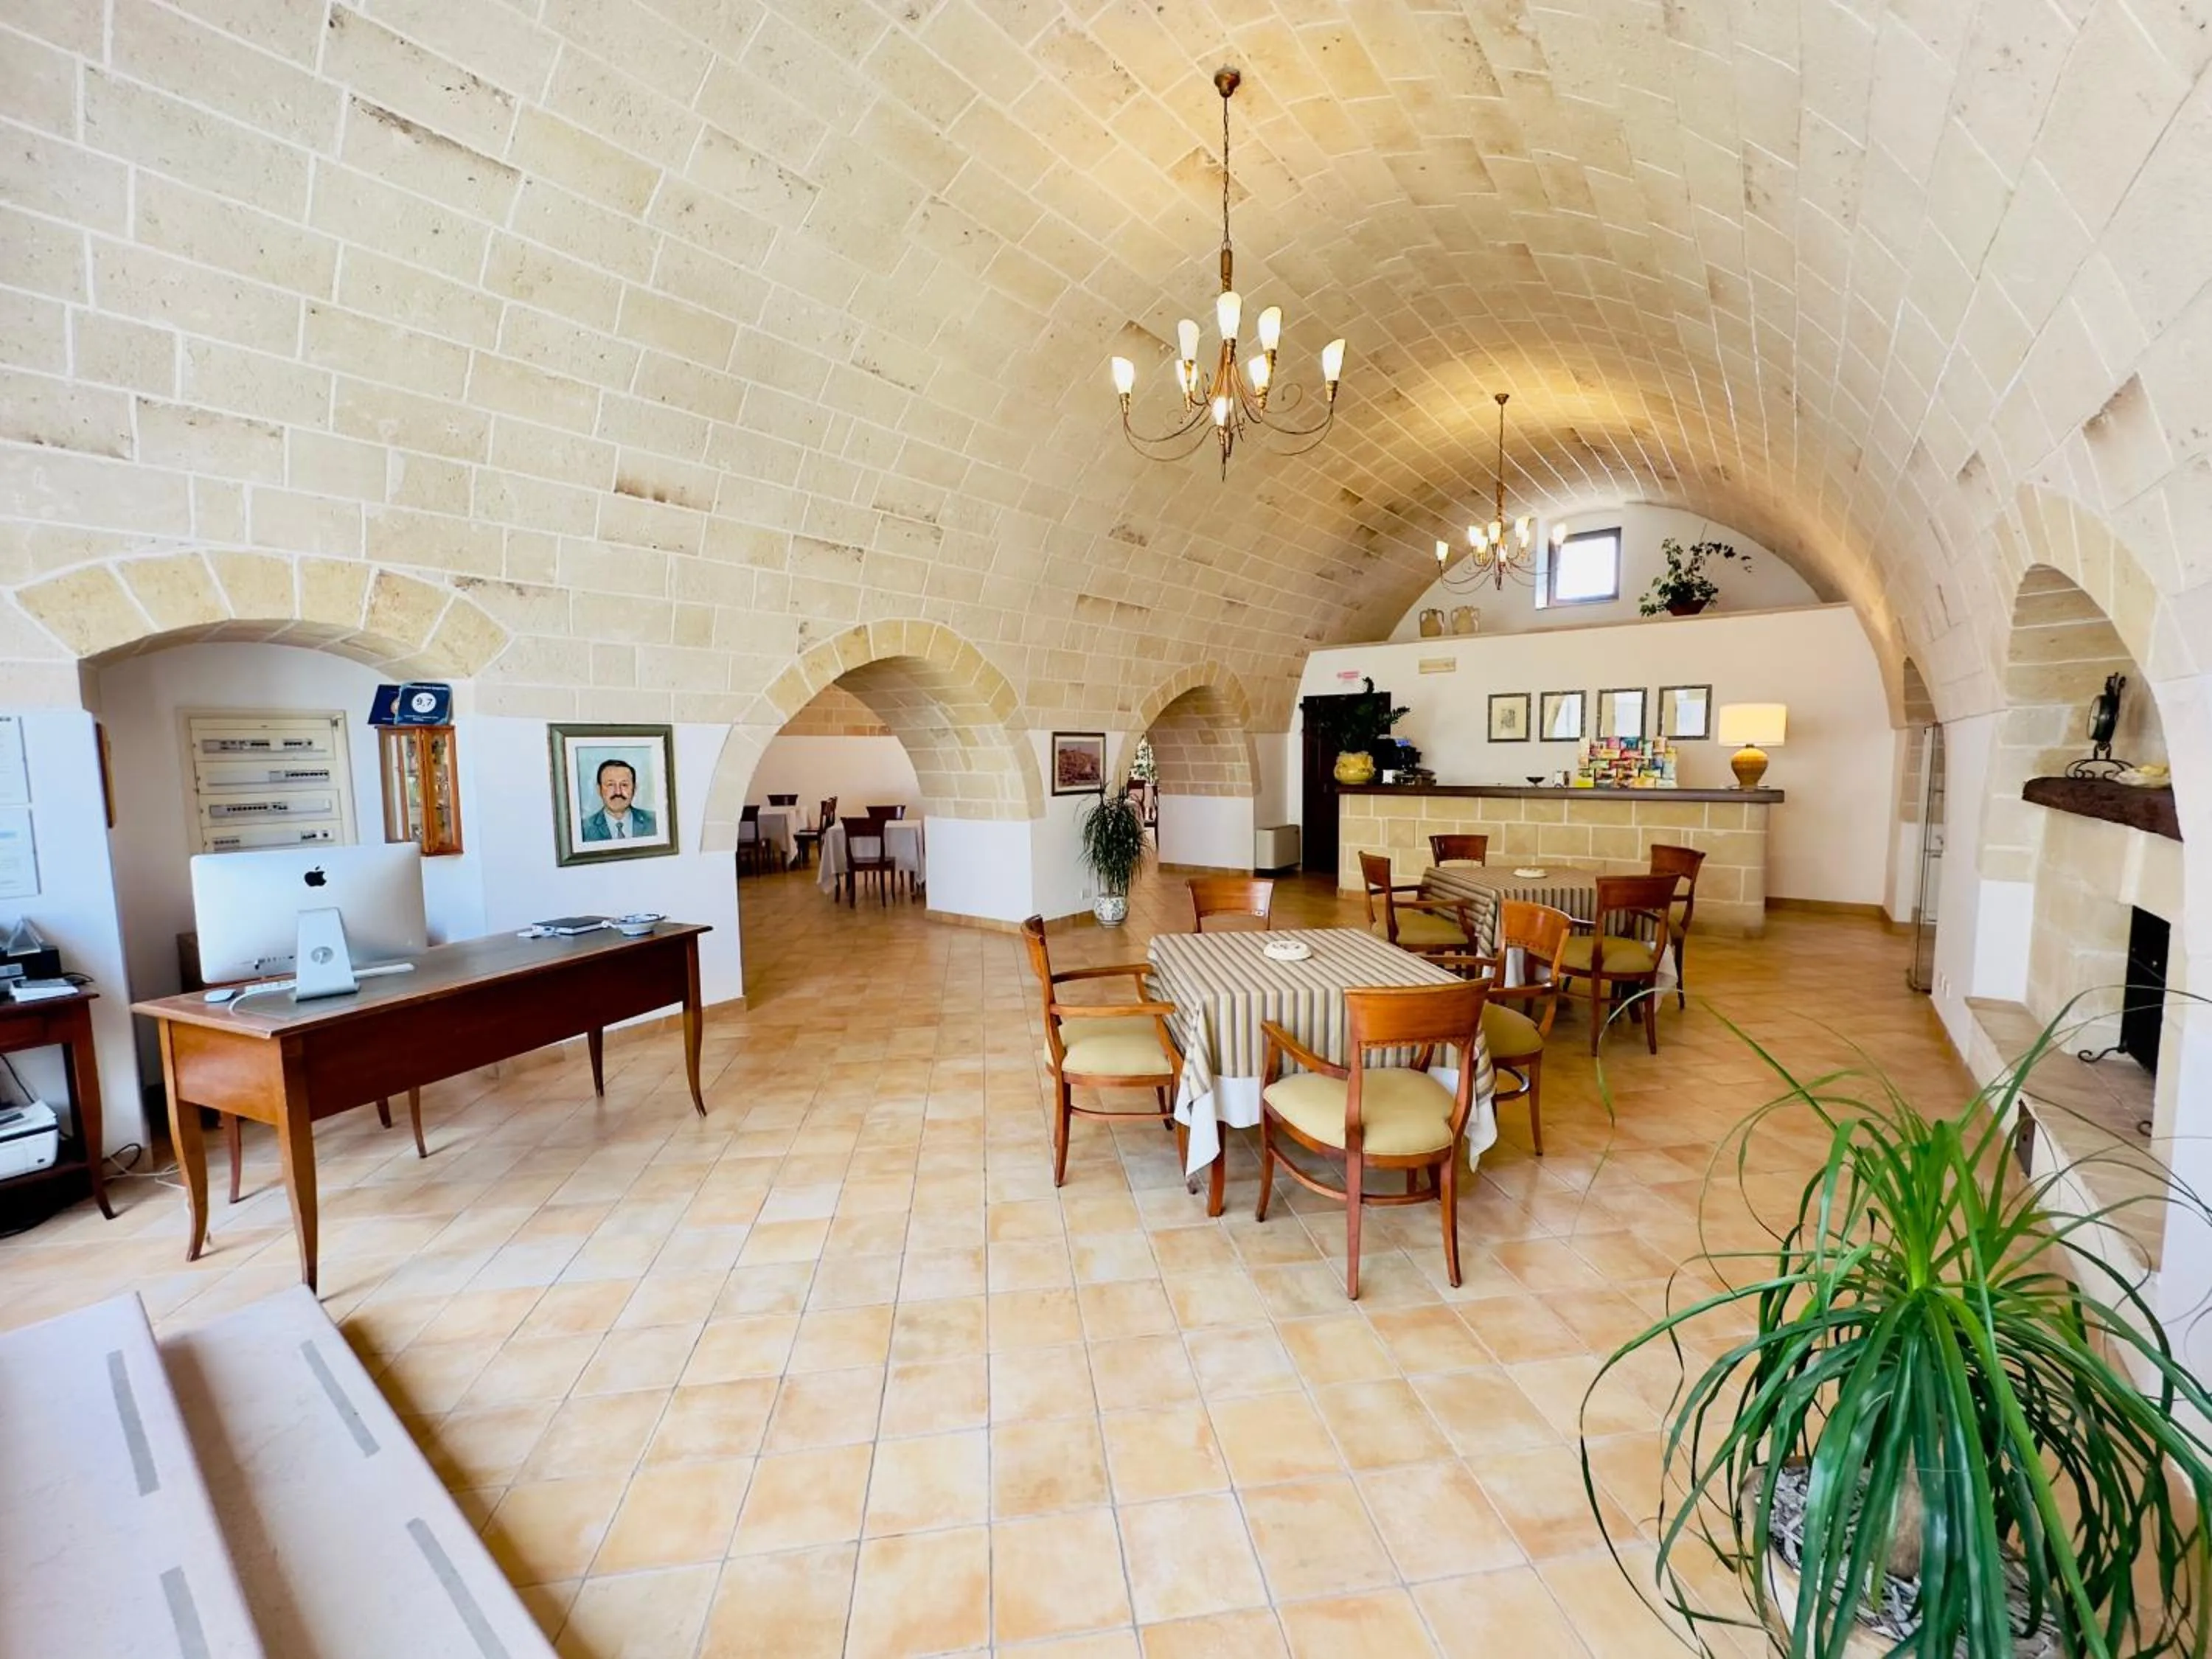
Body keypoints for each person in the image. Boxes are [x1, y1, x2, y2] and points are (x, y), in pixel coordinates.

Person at [580, 758, 657, 841]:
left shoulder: (655, 822)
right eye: (610, 785)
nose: (618, 792)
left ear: (634, 789)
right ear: (599, 789)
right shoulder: (584, 829)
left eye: (624, 785)